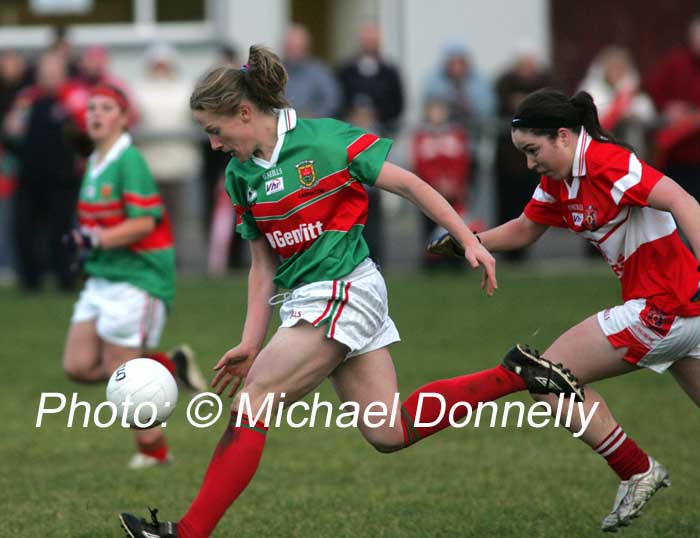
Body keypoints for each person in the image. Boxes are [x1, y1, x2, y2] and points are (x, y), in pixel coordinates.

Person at [118, 46, 581, 538]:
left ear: (245, 112)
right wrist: (251, 340)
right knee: (388, 430)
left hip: (345, 290)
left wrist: (469, 239)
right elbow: (261, 266)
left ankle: (186, 534)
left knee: (254, 403)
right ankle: (515, 374)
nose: (212, 144)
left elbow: (410, 186)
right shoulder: (240, 175)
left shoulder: (326, 141)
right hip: (307, 300)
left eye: (214, 130)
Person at [429, 87, 700, 532]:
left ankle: (636, 469)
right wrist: (468, 244)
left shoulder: (606, 162)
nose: (530, 164)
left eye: (534, 151)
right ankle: (636, 470)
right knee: (549, 377)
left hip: (662, 309)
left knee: (544, 376)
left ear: (562, 135)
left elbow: (683, 201)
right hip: (681, 314)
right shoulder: (560, 179)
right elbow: (524, 230)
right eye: (524, 154)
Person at [62, 84, 206, 470]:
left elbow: (144, 222)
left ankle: (156, 453)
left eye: (106, 108)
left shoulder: (130, 160)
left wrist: (96, 239)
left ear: (124, 118)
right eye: (91, 107)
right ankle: (170, 366)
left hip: (138, 277)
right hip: (102, 277)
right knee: (77, 366)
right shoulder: (95, 160)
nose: (95, 114)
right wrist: (88, 243)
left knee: (119, 370)